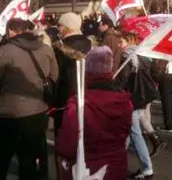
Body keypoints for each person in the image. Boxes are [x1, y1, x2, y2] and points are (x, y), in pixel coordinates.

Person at [56, 46, 133, 180]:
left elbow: (67, 146)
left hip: (85, 169)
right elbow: (125, 134)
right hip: (115, 166)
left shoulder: (78, 102)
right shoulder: (125, 101)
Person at [0, 18, 58, 180]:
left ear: (11, 31)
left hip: (8, 114)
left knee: (3, 158)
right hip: (38, 112)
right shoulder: (46, 49)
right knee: (31, 161)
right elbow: (54, 76)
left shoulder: (5, 51)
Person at [52, 12, 91, 179]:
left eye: (60, 26)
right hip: (88, 99)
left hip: (64, 101)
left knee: (63, 144)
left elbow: (55, 76)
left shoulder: (59, 48)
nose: (58, 29)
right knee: (83, 141)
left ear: (67, 28)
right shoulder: (92, 44)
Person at [115, 32, 157, 179]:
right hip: (142, 96)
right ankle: (117, 163)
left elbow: (123, 79)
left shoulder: (128, 56)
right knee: (127, 132)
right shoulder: (143, 54)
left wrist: (114, 89)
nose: (119, 45)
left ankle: (147, 169)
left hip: (132, 97)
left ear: (129, 41)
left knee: (135, 133)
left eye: (121, 42)